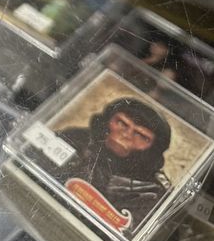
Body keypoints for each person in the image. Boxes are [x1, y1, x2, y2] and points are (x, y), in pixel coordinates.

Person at [55, 96, 172, 232]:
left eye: (140, 135)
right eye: (122, 124)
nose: (126, 135)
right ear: (107, 121)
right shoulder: (77, 138)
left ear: (153, 150)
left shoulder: (150, 189)